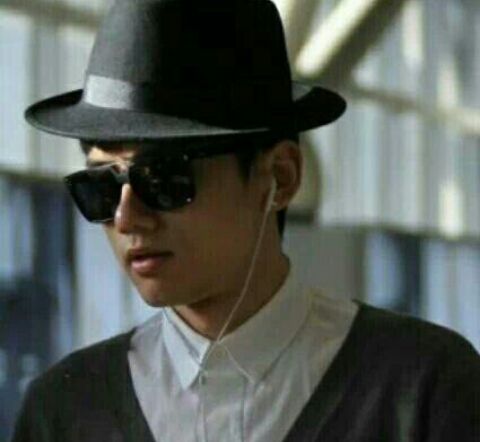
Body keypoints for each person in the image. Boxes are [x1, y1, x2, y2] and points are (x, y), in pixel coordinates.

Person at [11, 0, 480, 441]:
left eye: (165, 179)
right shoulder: (64, 411)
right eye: (101, 186)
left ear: (280, 177)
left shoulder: (425, 388)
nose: (126, 218)